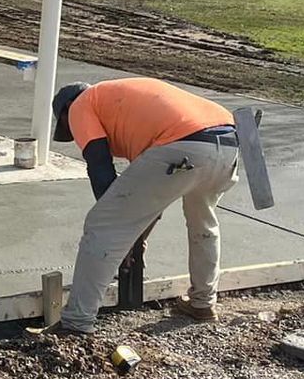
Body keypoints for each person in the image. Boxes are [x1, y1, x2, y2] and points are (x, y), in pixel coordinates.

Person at [46, 77, 240, 337]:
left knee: (103, 224)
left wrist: (122, 233)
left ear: (66, 111)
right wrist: (136, 237)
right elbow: (150, 198)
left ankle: (76, 323)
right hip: (227, 145)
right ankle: (203, 303)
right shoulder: (128, 104)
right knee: (202, 221)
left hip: (184, 144)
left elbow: (100, 169)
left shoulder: (81, 104)